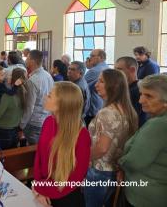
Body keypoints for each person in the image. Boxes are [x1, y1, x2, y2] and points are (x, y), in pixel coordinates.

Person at [84, 69, 138, 207]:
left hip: (100, 170)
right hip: (116, 169)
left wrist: (81, 158)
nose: (96, 84)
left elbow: (102, 148)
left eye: (101, 81)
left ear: (113, 86)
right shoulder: (128, 110)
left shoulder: (107, 112)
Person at [33, 82, 91, 207]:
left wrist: (42, 189)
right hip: (43, 190)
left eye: (49, 96)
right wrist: (39, 186)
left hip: (65, 197)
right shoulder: (48, 122)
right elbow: (39, 157)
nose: (45, 97)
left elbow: (76, 178)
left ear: (62, 104)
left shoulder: (81, 135)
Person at [119, 74, 167, 207]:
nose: (140, 100)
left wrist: (120, 162)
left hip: (145, 196)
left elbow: (134, 162)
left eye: (149, 96)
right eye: (141, 94)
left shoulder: (159, 125)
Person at [0, 68, 27, 150]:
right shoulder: (23, 93)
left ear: (14, 79)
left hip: (3, 133)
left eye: (9, 75)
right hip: (15, 132)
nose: (7, 77)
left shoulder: (8, 96)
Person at [21, 50, 54, 145]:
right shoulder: (48, 75)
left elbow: (29, 106)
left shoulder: (33, 80)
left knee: (34, 151)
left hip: (34, 122)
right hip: (46, 118)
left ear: (32, 61)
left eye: (27, 58)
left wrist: (22, 125)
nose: (25, 60)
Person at [115, 56, 148, 127]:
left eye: (119, 70)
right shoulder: (126, 88)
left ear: (132, 70)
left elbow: (131, 119)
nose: (116, 73)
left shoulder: (137, 90)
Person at [84, 49, 109, 126]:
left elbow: (82, 86)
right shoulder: (106, 67)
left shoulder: (94, 70)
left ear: (101, 57)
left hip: (92, 107)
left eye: (92, 56)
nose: (89, 58)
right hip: (100, 104)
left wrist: (86, 68)